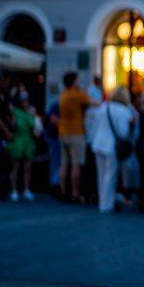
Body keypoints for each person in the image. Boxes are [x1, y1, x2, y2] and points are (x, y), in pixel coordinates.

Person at [92, 87, 136, 213]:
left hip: (98, 143)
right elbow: (123, 133)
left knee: (101, 174)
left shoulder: (103, 107)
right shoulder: (124, 111)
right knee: (111, 175)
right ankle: (107, 204)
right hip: (111, 145)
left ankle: (103, 201)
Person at [57, 72, 96, 204]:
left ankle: (63, 191)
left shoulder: (63, 95)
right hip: (75, 132)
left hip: (63, 132)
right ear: (74, 82)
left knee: (64, 164)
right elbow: (93, 102)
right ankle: (75, 193)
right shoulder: (77, 95)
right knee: (76, 165)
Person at [6, 91, 38, 202]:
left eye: (26, 100)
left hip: (28, 141)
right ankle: (14, 190)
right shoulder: (15, 111)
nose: (25, 102)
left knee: (27, 167)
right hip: (17, 140)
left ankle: (26, 189)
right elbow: (13, 125)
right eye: (23, 101)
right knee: (15, 167)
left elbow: (34, 127)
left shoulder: (31, 112)